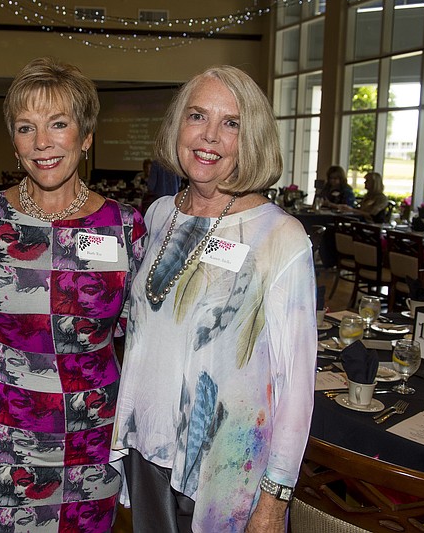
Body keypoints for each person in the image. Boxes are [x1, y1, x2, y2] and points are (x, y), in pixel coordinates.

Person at [113, 65, 316, 532]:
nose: (209, 135)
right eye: (198, 116)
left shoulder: (281, 236)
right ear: (178, 125)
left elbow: (296, 386)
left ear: (252, 139)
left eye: (231, 123)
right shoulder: (160, 215)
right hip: (147, 455)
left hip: (225, 470)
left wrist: (275, 500)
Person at [0, 57, 146, 532]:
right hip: (1, 435)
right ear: (14, 142)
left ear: (86, 137)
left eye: (58, 124)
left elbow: (139, 335)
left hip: (92, 437)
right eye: (27, 127)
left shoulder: (125, 228)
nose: (42, 142)